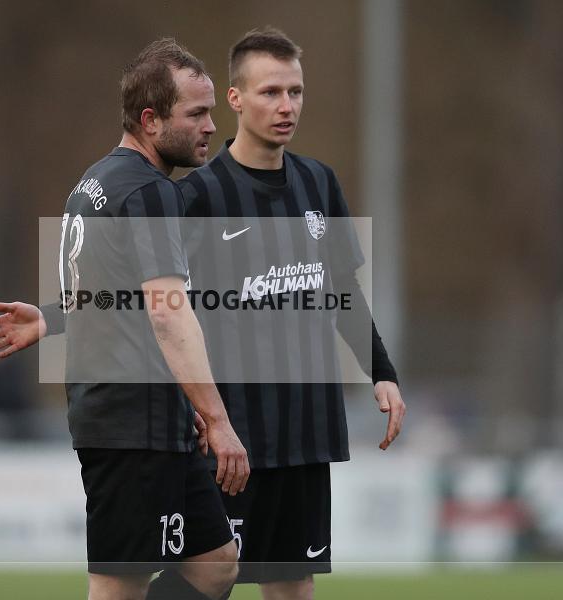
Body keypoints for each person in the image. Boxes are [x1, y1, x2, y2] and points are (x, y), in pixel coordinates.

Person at [0, 39, 248, 600]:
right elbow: (170, 318)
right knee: (117, 587)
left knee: (216, 563)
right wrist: (217, 419)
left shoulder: (95, 183)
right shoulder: (149, 194)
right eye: (196, 113)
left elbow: (110, 298)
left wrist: (50, 320)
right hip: (130, 422)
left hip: (149, 419)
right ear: (151, 121)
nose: (210, 126)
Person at [177, 28, 406, 599]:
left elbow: (343, 293)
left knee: (292, 583)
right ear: (234, 99)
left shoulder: (318, 182)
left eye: (296, 92)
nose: (287, 107)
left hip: (305, 430)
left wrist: (381, 371)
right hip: (233, 438)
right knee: (210, 578)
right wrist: (57, 317)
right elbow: (148, 293)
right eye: (271, 92)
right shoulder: (199, 196)